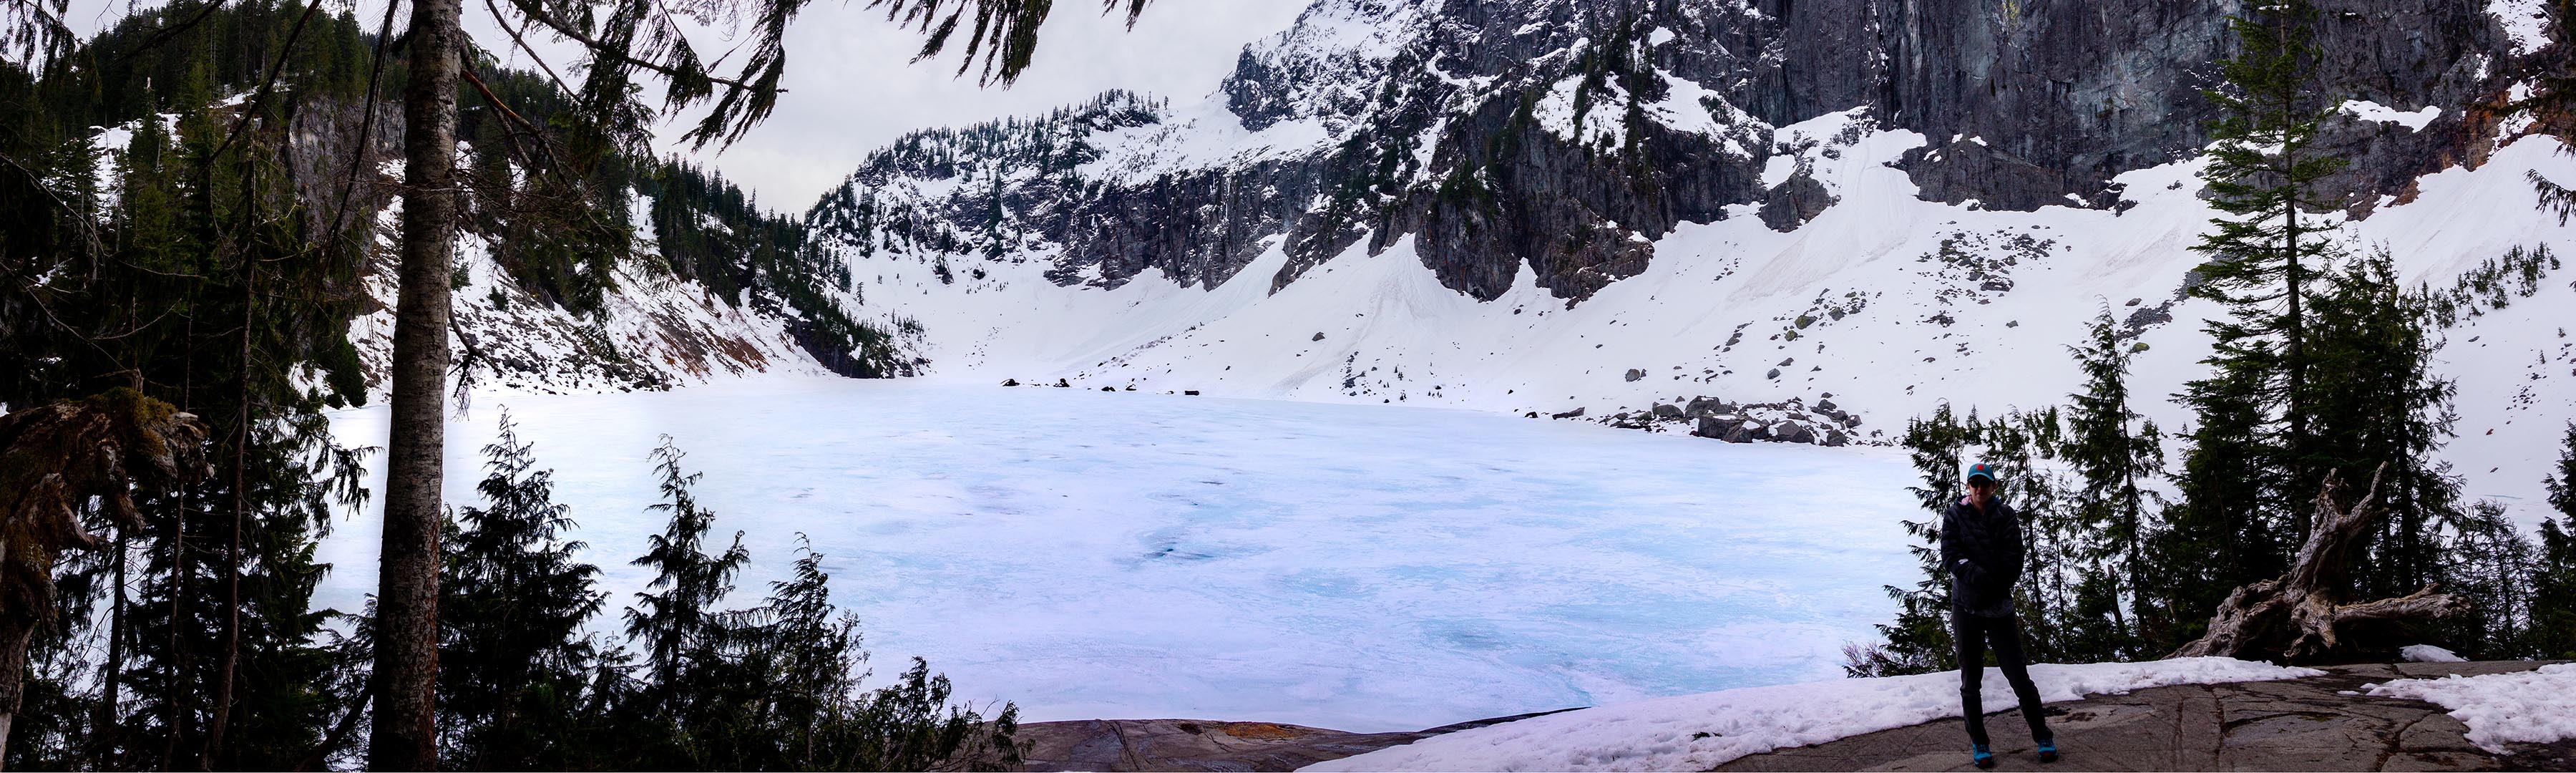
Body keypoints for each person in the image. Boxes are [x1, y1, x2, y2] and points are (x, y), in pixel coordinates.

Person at [1941, 462, 2057, 768]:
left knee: (2018, 675)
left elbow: (2014, 559)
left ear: (1994, 487)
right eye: (1974, 483)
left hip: (1999, 608)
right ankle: (1979, 742)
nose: (1980, 488)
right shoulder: (1954, 516)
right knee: (1971, 679)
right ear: (1968, 487)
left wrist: (1990, 582)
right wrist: (1983, 577)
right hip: (1966, 608)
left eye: (1985, 483)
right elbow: (1952, 557)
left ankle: (2043, 735)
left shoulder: (2006, 516)